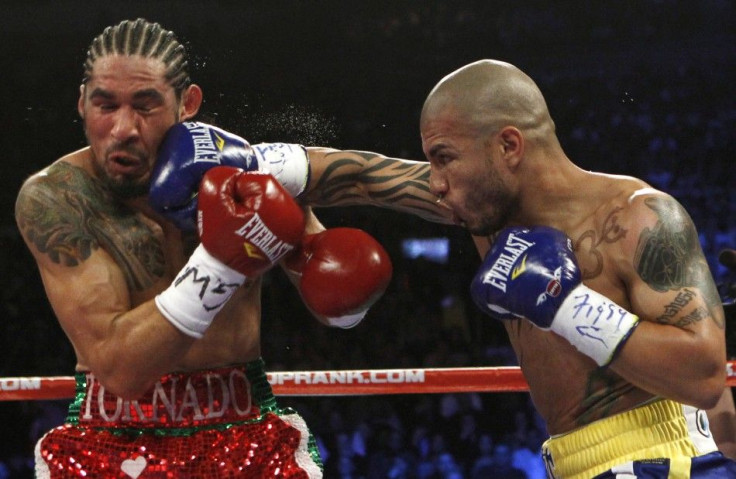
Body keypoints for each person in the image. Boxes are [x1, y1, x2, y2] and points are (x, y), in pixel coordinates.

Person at [14, 18, 448, 478]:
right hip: (111, 438)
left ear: (187, 104)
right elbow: (121, 371)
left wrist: (341, 292)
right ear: (81, 103)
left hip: (245, 431)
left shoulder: (240, 172)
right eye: (105, 105)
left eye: (146, 106)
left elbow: (358, 191)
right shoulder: (59, 199)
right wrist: (221, 259)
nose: (123, 128)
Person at [419, 59, 736, 477]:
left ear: (509, 146)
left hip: (659, 457)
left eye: (445, 158)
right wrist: (300, 169)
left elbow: (706, 378)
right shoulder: (482, 201)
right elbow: (365, 177)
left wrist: (567, 305)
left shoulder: (636, 216)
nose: (436, 183)